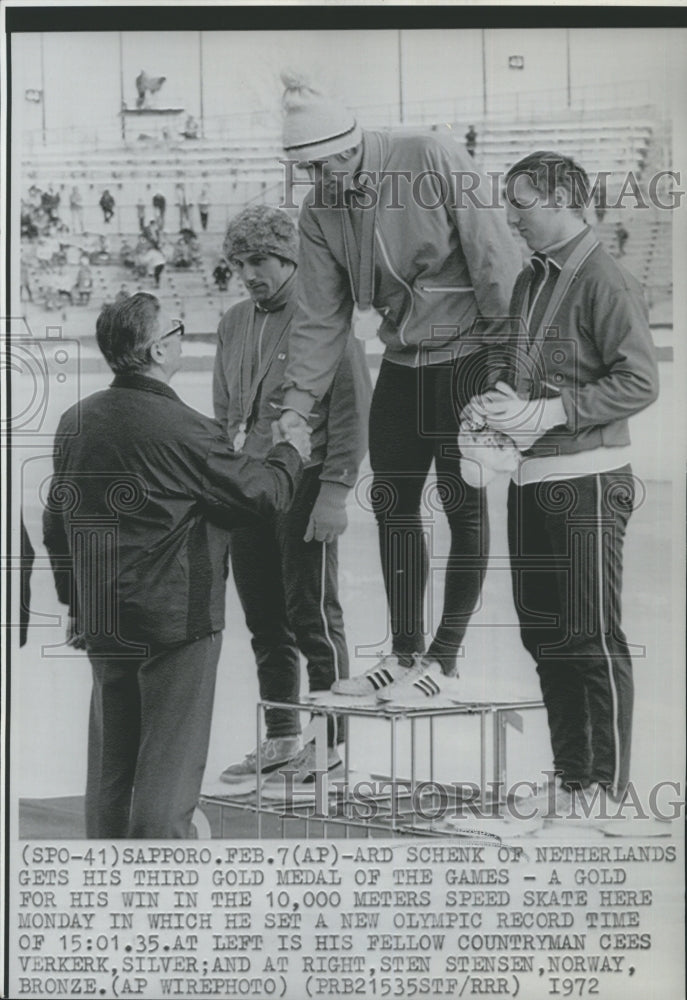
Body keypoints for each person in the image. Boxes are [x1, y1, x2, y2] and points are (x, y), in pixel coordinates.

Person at [277, 72, 521, 705]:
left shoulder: (429, 153)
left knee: (462, 506)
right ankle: (404, 651)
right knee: (392, 505)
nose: (318, 184)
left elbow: (494, 254)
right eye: (307, 173)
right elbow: (319, 318)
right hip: (405, 362)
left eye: (324, 169)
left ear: (349, 147)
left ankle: (443, 660)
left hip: (469, 357)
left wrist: (505, 367)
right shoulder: (318, 210)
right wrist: (297, 406)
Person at [42, 292, 309, 838]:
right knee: (168, 762)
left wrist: (74, 601)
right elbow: (259, 495)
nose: (182, 337)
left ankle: (108, 877)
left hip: (103, 616)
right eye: (177, 329)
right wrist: (291, 451)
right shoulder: (184, 428)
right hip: (175, 616)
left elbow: (56, 523)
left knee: (111, 767)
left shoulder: (76, 419)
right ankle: (162, 869)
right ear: (159, 349)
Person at [463, 151, 658, 821]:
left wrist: (554, 411)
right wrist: (493, 405)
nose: (510, 215)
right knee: (543, 634)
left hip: (587, 481)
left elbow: (639, 381)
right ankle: (572, 779)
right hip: (530, 479)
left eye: (520, 202)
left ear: (561, 200)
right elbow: (519, 371)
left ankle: (604, 790)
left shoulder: (605, 279)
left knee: (589, 637)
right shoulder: (527, 281)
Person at [213, 206, 371, 790]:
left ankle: (328, 744)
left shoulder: (320, 316)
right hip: (251, 485)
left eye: (260, 260)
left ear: (289, 257)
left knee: (313, 616)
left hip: (307, 481)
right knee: (264, 619)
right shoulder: (233, 322)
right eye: (241, 262)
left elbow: (354, 409)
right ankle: (281, 735)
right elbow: (225, 410)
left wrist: (335, 492)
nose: (249, 273)